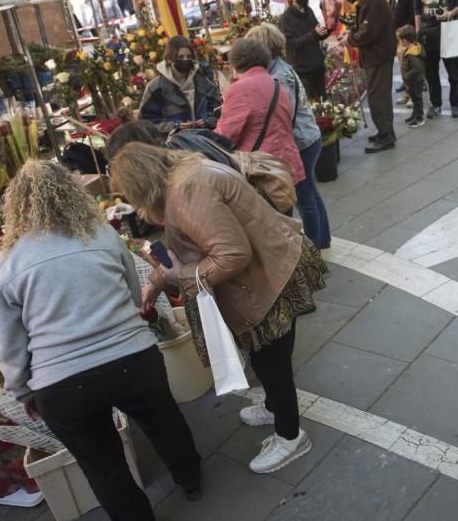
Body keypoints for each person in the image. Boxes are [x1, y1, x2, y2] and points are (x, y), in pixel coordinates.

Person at [0, 160, 203, 518]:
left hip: (61, 382)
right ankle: (192, 480)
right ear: (71, 193)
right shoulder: (100, 234)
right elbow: (134, 294)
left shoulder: (6, 262)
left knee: (101, 463)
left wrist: (22, 390)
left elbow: (7, 341)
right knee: (164, 420)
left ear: (16, 206)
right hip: (133, 358)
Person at [109, 143, 327, 475]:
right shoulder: (184, 176)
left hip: (268, 277)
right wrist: (156, 281)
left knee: (272, 361)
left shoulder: (186, 190)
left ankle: (290, 436)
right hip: (268, 269)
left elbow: (232, 254)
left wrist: (178, 276)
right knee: (267, 357)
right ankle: (273, 407)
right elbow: (195, 246)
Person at [245, 24, 330, 249]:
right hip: (307, 136)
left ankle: (313, 244)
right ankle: (322, 238)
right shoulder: (279, 68)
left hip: (300, 140)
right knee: (309, 191)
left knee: (304, 195)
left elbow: (285, 113)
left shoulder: (278, 75)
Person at [217, 38, 306, 179]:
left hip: (263, 169)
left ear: (235, 62)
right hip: (287, 161)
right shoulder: (276, 83)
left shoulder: (240, 89)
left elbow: (225, 135)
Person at [342, 0, 397, 151]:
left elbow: (368, 32)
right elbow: (364, 26)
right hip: (376, 55)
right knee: (377, 96)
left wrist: (350, 39)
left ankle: (386, 135)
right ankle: (385, 131)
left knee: (378, 97)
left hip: (378, 55)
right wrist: (351, 33)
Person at [139, 35, 221, 134]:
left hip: (205, 139)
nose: (185, 60)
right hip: (172, 145)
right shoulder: (156, 88)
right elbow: (145, 123)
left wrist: (208, 121)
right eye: (180, 57)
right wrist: (175, 126)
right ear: (169, 59)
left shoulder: (203, 82)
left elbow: (218, 110)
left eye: (189, 57)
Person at [280, 0, 332, 99]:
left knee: (324, 104)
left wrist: (329, 28)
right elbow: (290, 44)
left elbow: (318, 34)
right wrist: (313, 34)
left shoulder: (309, 11)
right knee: (308, 106)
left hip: (317, 67)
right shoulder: (286, 18)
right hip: (302, 71)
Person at [396, 25, 426, 127]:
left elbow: (417, 68)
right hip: (412, 80)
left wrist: (407, 76)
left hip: (415, 80)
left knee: (417, 99)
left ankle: (419, 118)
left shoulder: (412, 53)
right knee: (414, 99)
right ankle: (415, 115)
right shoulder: (411, 48)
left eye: (400, 40)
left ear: (405, 40)